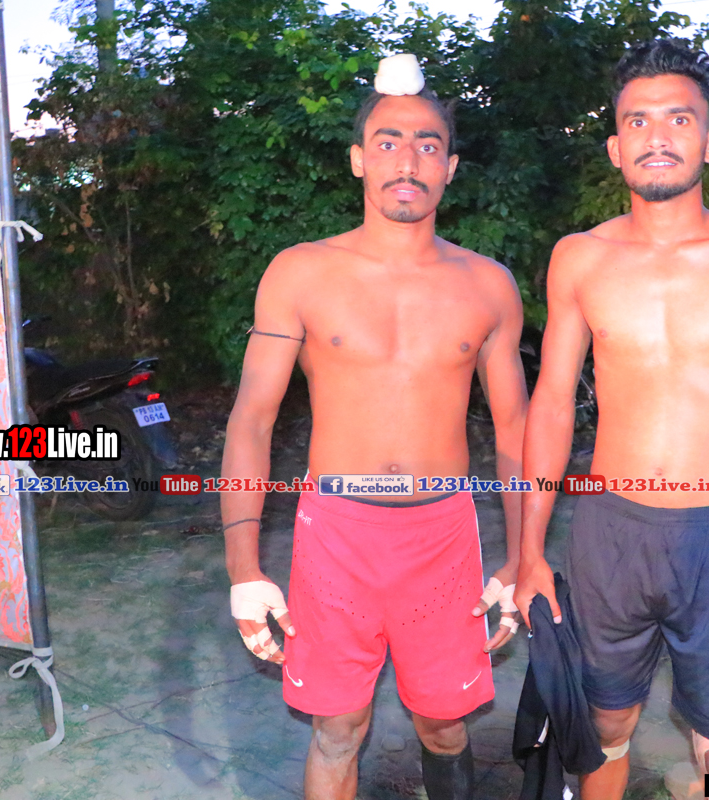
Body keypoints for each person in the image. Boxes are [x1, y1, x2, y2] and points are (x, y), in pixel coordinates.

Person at [515, 39, 709, 799]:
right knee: (603, 726)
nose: (656, 136)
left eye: (678, 119)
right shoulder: (579, 258)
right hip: (609, 531)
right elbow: (551, 405)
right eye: (638, 121)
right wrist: (528, 551)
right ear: (615, 146)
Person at [220, 54, 528, 800]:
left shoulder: (488, 285)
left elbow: (516, 430)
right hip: (336, 535)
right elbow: (251, 420)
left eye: (427, 145)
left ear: (450, 167)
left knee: (445, 727)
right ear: (359, 158)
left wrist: (523, 559)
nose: (407, 161)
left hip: (443, 535)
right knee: (338, 729)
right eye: (388, 142)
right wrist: (243, 571)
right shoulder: (299, 272)